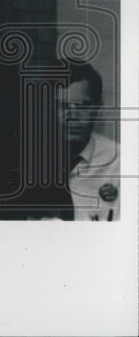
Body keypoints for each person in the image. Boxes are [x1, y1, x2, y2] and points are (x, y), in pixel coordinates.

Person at [56, 61, 120, 221]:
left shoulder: (120, 163)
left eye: (83, 106)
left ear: (97, 108)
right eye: (63, 106)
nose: (72, 116)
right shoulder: (23, 162)